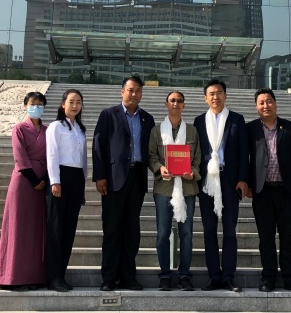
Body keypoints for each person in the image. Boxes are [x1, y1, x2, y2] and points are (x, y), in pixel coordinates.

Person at [92, 75, 155, 291]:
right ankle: (109, 278)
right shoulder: (108, 114)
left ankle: (128, 276)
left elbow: (151, 150)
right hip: (113, 179)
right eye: (130, 90)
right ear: (122, 91)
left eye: (138, 90)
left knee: (131, 231)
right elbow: (98, 146)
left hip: (137, 179)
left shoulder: (147, 118)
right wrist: (100, 176)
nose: (134, 94)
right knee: (112, 229)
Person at [246, 88, 291, 293]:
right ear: (256, 106)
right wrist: (247, 184)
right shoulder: (250, 129)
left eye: (269, 101)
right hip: (262, 192)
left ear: (275, 103)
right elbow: (246, 159)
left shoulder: (290, 127)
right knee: (266, 238)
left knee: (288, 237)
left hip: (287, 191)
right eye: (261, 102)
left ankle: (290, 279)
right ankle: (268, 278)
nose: (266, 105)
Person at [193, 79, 248, 292]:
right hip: (207, 182)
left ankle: (228, 276)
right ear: (205, 98)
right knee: (209, 230)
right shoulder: (199, 121)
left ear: (225, 95)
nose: (215, 97)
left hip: (230, 181)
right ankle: (214, 276)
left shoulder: (237, 119)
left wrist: (243, 179)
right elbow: (196, 152)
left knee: (229, 231)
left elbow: (244, 151)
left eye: (219, 93)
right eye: (211, 94)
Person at [0, 91, 49, 290]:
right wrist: (34, 179)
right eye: (33, 104)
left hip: (42, 182)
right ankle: (12, 277)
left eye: (40, 104)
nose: (36, 107)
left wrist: (45, 179)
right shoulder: (19, 129)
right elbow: (19, 156)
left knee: (36, 229)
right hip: (24, 181)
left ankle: (33, 276)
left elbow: (52, 154)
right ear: (25, 105)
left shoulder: (48, 130)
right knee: (18, 227)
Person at [148, 90, 201, 291]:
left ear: (184, 105)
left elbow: (197, 158)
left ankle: (184, 275)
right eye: (172, 100)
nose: (175, 104)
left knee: (186, 234)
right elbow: (152, 155)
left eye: (179, 101)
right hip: (164, 188)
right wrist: (159, 168)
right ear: (166, 104)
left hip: (187, 189)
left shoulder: (192, 131)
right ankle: (165, 275)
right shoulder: (156, 131)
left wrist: (193, 172)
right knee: (163, 233)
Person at [45, 89, 87, 292]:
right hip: (60, 177)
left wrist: (83, 185)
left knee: (69, 229)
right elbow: (52, 154)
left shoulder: (80, 128)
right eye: (71, 102)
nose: (75, 106)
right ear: (63, 104)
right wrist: (55, 181)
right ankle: (53, 276)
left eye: (78, 102)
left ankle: (61, 274)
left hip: (76, 178)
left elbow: (83, 159)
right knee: (55, 228)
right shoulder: (56, 127)